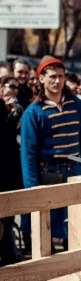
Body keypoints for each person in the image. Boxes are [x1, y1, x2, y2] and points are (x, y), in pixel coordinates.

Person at [20, 56, 81, 252]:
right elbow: (28, 153)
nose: (57, 81)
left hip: (76, 171)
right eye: (52, 76)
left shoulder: (75, 104)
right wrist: (32, 188)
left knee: (79, 225)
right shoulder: (33, 112)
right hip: (50, 174)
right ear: (41, 79)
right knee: (47, 228)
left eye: (60, 76)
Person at [0, 85, 23, 265]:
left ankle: (8, 252)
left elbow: (8, 138)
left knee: (7, 217)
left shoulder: (4, 107)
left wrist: (14, 114)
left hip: (7, 169)